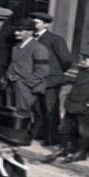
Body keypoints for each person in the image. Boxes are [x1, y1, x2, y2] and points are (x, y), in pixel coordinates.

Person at [45, 44, 89, 163]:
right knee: (64, 128)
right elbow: (68, 81)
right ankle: (63, 149)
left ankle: (81, 152)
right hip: (72, 104)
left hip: (86, 108)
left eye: (86, 59)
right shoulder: (81, 71)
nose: (83, 60)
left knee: (84, 131)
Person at [30, 11, 71, 146]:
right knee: (37, 108)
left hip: (51, 80)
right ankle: (39, 133)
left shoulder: (55, 39)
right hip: (36, 79)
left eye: (36, 22)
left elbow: (66, 60)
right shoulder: (30, 38)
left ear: (46, 24)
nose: (33, 24)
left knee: (50, 109)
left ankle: (52, 138)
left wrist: (55, 72)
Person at [3, 18, 49, 115]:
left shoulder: (38, 48)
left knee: (22, 114)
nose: (16, 33)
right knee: (10, 113)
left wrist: (27, 84)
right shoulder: (17, 46)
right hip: (11, 85)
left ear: (31, 32)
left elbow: (42, 71)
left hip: (25, 88)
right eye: (16, 30)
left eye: (20, 30)